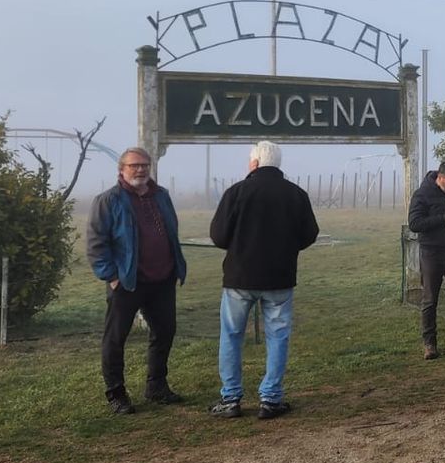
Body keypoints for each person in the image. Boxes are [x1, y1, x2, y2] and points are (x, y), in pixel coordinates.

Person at [206, 141, 319, 419]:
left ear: (254, 163)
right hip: (280, 278)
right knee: (277, 337)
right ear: (277, 164)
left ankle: (230, 398)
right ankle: (271, 398)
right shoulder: (296, 194)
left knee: (231, 336)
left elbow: (218, 236)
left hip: (239, 278)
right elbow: (310, 234)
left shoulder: (236, 193)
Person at [86, 147, 188, 414]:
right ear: (122, 169)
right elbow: (97, 243)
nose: (140, 170)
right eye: (134, 165)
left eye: (144, 165)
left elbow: (171, 230)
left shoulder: (162, 196)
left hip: (162, 279)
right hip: (128, 281)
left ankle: (156, 386)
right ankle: (117, 394)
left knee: (165, 331)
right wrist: (111, 276)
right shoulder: (108, 200)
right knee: (115, 339)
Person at [407, 159, 445, 359]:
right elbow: (415, 223)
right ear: (439, 178)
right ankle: (429, 343)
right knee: (430, 299)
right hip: (431, 252)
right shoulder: (422, 195)